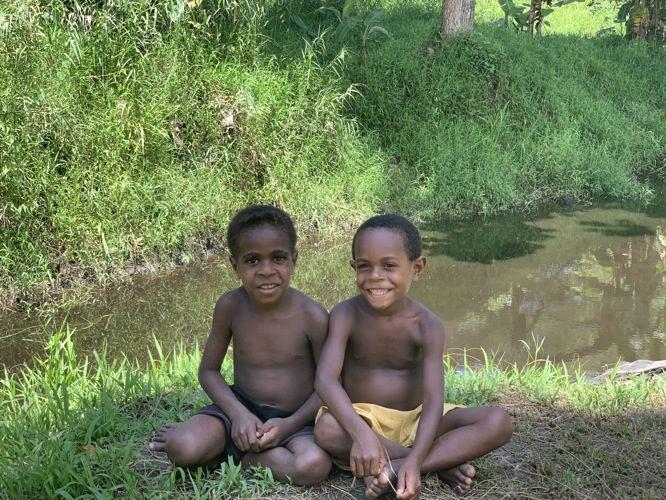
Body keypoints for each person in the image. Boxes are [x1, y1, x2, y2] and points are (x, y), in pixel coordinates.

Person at [314, 214, 513, 499]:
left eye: (389, 266)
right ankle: (436, 462)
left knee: (498, 422)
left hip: (417, 421)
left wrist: (417, 458)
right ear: (353, 268)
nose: (375, 277)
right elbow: (325, 380)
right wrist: (360, 434)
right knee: (327, 428)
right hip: (365, 420)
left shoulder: (427, 324)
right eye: (364, 266)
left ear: (416, 268)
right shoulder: (346, 314)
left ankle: (403, 466)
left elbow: (433, 400)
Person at [149, 205, 332, 486]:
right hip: (239, 408)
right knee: (182, 447)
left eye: (278, 257)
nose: (266, 270)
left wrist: (288, 426)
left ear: (294, 260)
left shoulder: (313, 316)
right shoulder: (230, 307)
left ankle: (237, 457)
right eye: (252, 260)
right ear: (235, 266)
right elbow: (208, 371)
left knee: (314, 466)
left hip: (297, 422)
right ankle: (227, 440)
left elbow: (330, 383)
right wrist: (239, 415)